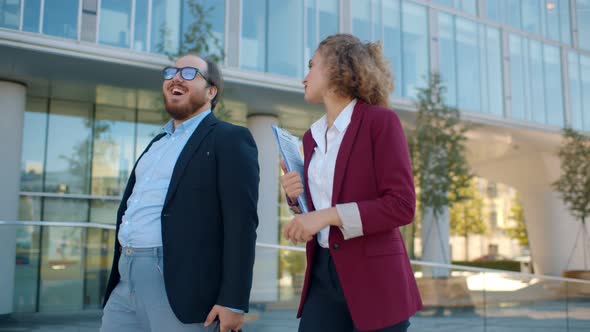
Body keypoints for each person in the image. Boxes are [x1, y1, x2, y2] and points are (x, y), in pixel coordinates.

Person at [100, 54, 259, 332]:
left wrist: (234, 301)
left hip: (180, 286)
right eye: (171, 71)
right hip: (125, 280)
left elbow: (241, 224)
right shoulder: (157, 144)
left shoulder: (229, 138)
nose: (175, 77)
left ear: (211, 91)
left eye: (188, 73)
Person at [280, 34, 422, 332]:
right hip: (322, 273)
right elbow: (318, 209)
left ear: (335, 69)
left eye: (311, 66)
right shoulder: (311, 136)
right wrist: (296, 200)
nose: (304, 77)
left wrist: (326, 215)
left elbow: (402, 206)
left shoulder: (381, 122)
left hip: (376, 281)